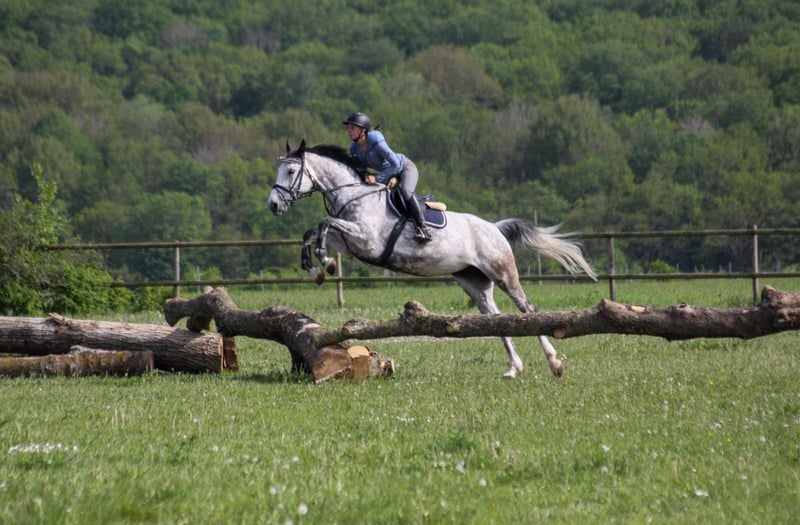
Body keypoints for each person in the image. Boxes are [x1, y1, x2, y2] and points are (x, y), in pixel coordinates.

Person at [343, 112, 432, 243]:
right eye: (348, 128)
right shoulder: (354, 148)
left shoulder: (375, 140)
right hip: (389, 174)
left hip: (405, 168)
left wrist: (377, 179)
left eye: (352, 128)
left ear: (363, 130)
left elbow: (396, 164)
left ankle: (423, 229)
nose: (349, 131)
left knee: (407, 191)